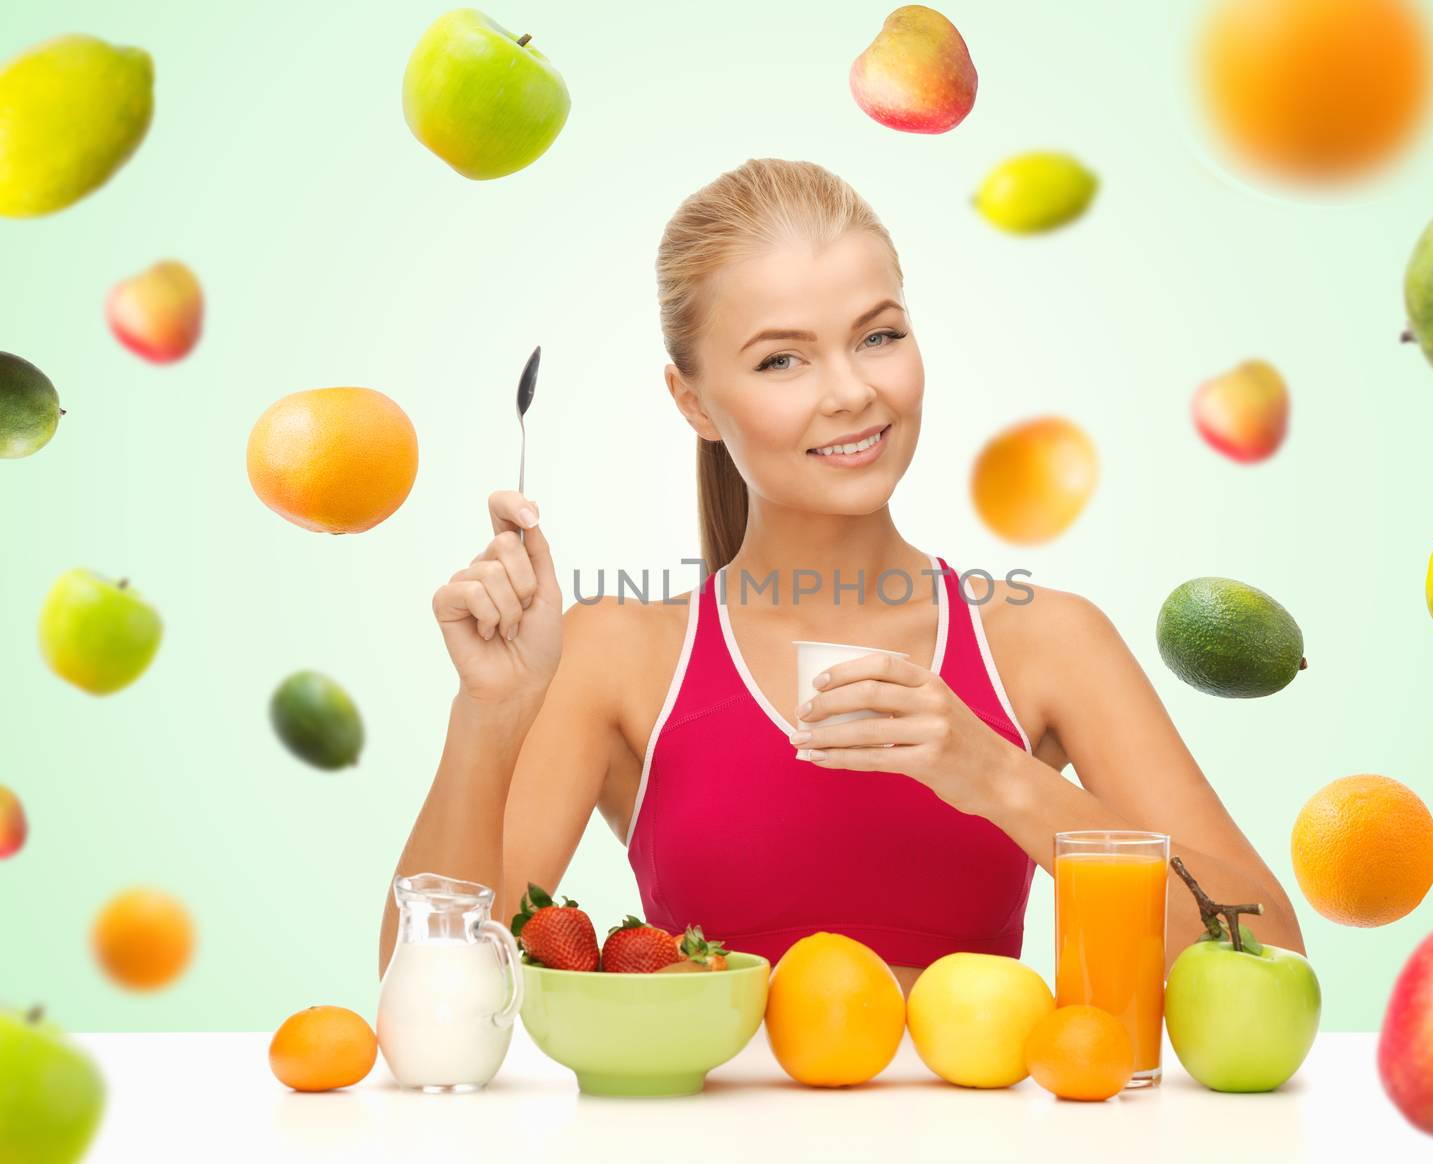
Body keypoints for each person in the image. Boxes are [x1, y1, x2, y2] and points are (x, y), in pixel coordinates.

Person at [379, 158, 1303, 991]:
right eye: (782, 359)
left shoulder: (1046, 642)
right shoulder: (617, 656)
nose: (852, 391)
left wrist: (1001, 778)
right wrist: (491, 714)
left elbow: (1272, 959)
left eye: (878, 335)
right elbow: (430, 999)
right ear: (692, 400)